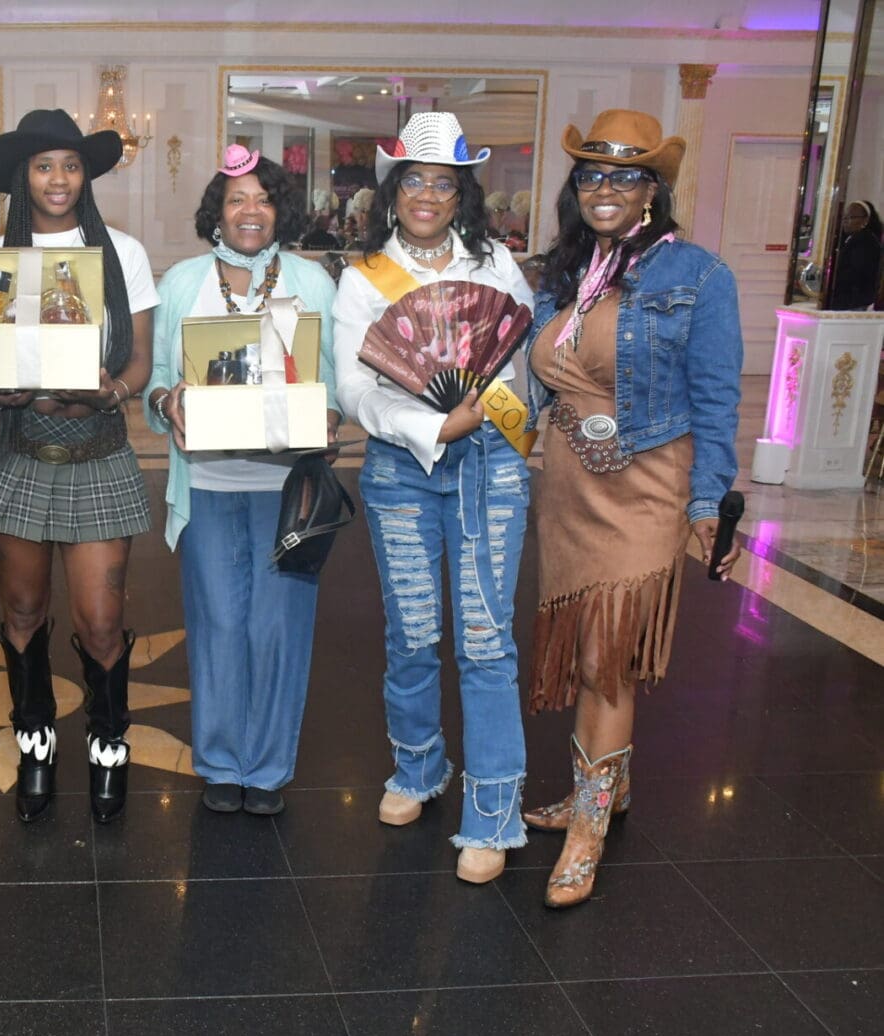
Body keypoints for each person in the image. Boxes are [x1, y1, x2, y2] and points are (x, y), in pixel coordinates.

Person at [523, 109, 743, 908]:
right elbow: (536, 377)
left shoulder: (700, 277)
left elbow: (718, 401)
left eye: (625, 175)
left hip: (646, 480)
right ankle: (605, 789)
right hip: (569, 484)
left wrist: (711, 500)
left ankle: (587, 828)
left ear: (655, 187)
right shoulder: (560, 273)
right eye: (592, 174)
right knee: (587, 639)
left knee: (604, 656)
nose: (605, 188)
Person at [333, 113, 535, 884]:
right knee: (412, 632)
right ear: (394, 189)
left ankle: (493, 811)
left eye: (442, 184)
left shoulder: (496, 265)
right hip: (399, 465)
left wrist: (511, 430)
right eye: (413, 179)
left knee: (485, 641)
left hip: (488, 465)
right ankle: (418, 769)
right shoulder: (364, 277)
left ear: (461, 196)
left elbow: (514, 360)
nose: (426, 194)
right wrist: (428, 423)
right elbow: (355, 385)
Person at [0, 108, 160, 825]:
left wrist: (117, 390)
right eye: (44, 166)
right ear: (21, 178)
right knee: (24, 610)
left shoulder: (121, 252)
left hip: (96, 449)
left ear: (85, 174)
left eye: (69, 165)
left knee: (102, 619)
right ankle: (33, 737)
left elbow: (139, 358)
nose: (58, 178)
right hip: (17, 450)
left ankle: (108, 742)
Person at [146, 146, 340, 815]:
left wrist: (330, 416)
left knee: (278, 628)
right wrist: (168, 402)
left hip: (287, 487)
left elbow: (334, 382)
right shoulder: (182, 283)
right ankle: (221, 762)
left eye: (262, 197)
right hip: (207, 481)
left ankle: (269, 768)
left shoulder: (312, 284)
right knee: (219, 624)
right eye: (236, 199)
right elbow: (155, 383)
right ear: (216, 213)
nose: (250, 210)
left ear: (279, 209)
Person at [830, 199, 881, 311]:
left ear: (865, 220)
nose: (846, 221)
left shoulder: (865, 241)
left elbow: (856, 272)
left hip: (855, 301)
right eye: (845, 217)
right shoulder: (852, 238)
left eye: (851, 217)